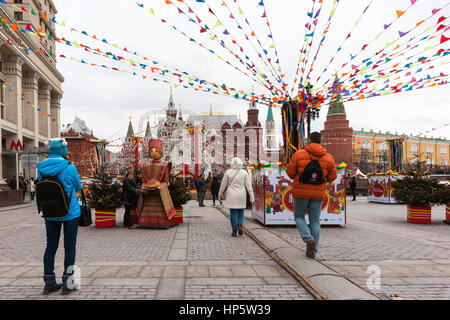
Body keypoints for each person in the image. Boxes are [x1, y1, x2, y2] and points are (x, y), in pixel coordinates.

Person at [37, 138, 83, 295]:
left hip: (50, 213)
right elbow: (78, 186)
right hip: (70, 213)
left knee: (51, 247)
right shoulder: (70, 168)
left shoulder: (41, 167)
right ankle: (68, 283)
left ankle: (49, 283)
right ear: (63, 151)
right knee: (69, 247)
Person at [286, 132, 337, 259]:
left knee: (299, 217)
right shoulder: (328, 157)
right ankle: (313, 251)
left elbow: (290, 173)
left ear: (308, 140)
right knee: (315, 220)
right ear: (321, 141)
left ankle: (308, 239)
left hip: (301, 192)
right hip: (318, 194)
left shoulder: (299, 154)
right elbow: (332, 177)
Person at [137, 139, 177, 228]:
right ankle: (147, 221)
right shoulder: (145, 165)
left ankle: (149, 221)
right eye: (151, 151)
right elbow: (144, 180)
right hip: (151, 190)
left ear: (160, 152)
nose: (153, 152)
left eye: (156, 150)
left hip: (157, 190)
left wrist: (160, 185)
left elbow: (166, 182)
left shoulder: (164, 165)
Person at [219, 158, 255, 237]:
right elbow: (249, 186)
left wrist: (220, 194)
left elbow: (223, 185)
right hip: (241, 194)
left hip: (231, 194)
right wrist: (252, 197)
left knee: (233, 213)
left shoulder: (228, 172)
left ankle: (234, 230)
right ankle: (240, 225)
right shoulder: (244, 172)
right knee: (241, 211)